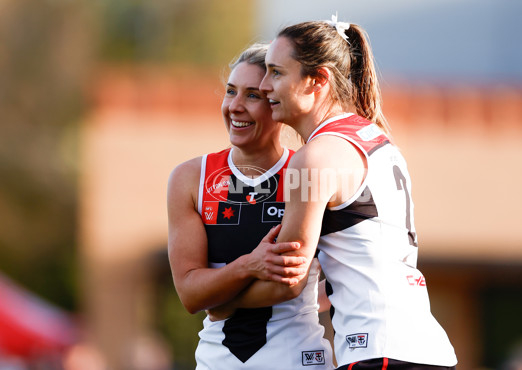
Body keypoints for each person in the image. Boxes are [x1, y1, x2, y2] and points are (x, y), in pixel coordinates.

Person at [210, 17, 459, 370]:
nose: (265, 86)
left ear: (318, 80)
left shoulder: (314, 157)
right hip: (426, 349)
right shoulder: (377, 139)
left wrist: (221, 303)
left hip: (378, 352)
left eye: (276, 73)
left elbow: (287, 282)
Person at [167, 43, 333, 370]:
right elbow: (189, 294)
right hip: (218, 361)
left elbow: (287, 284)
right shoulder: (189, 178)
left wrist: (218, 303)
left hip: (295, 359)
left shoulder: (306, 170)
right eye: (231, 92)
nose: (235, 106)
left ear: (278, 103)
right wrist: (248, 266)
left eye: (252, 96)